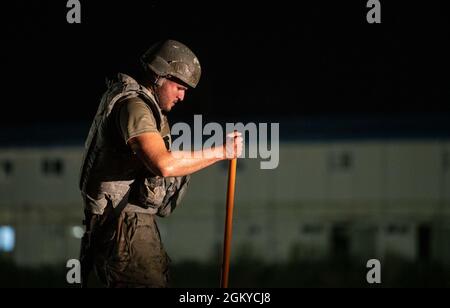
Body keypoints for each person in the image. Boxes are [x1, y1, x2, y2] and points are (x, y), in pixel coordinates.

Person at [78, 39, 243, 288]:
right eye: (179, 87)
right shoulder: (134, 107)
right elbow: (163, 164)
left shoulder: (142, 106)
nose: (182, 96)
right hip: (124, 231)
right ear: (158, 76)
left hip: (126, 228)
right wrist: (221, 152)